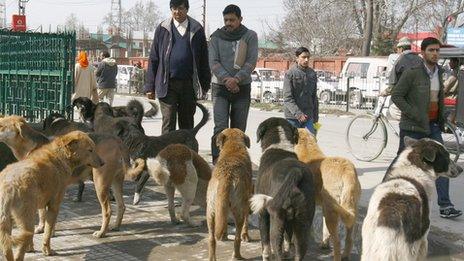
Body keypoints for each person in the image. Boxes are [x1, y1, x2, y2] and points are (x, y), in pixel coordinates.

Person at [390, 37, 462, 218]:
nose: (435, 53)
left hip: (432, 126)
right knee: (401, 161)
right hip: (412, 126)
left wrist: (442, 118)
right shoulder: (413, 72)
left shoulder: (439, 72)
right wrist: (413, 113)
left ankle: (445, 205)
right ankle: (385, 192)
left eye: (437, 50)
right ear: (423, 53)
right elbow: (396, 95)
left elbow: (437, 98)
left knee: (442, 161)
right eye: (431, 50)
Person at [145, 0, 211, 134]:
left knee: (187, 124)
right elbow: (154, 58)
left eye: (180, 8)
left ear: (187, 9)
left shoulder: (197, 29)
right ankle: (167, 154)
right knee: (168, 122)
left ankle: (186, 154)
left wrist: (205, 85)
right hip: (167, 84)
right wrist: (150, 86)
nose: (177, 12)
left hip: (188, 85)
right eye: (174, 8)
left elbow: (203, 59)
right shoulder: (163, 28)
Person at [209, 4, 258, 164]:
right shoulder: (215, 37)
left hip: (242, 88)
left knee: (238, 130)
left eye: (232, 20)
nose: (228, 23)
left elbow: (251, 62)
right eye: (226, 20)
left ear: (240, 19)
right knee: (220, 129)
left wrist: (236, 79)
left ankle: (238, 162)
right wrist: (227, 80)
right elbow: (213, 62)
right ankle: (218, 162)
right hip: (220, 88)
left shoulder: (250, 36)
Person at [282, 47, 319, 135]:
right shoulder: (290, 74)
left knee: (311, 142)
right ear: (297, 58)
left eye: (308, 57)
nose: (306, 60)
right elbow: (287, 98)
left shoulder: (312, 73)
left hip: (309, 116)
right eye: (303, 57)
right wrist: (298, 114)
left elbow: (314, 97)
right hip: (293, 117)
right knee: (294, 144)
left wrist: (316, 120)